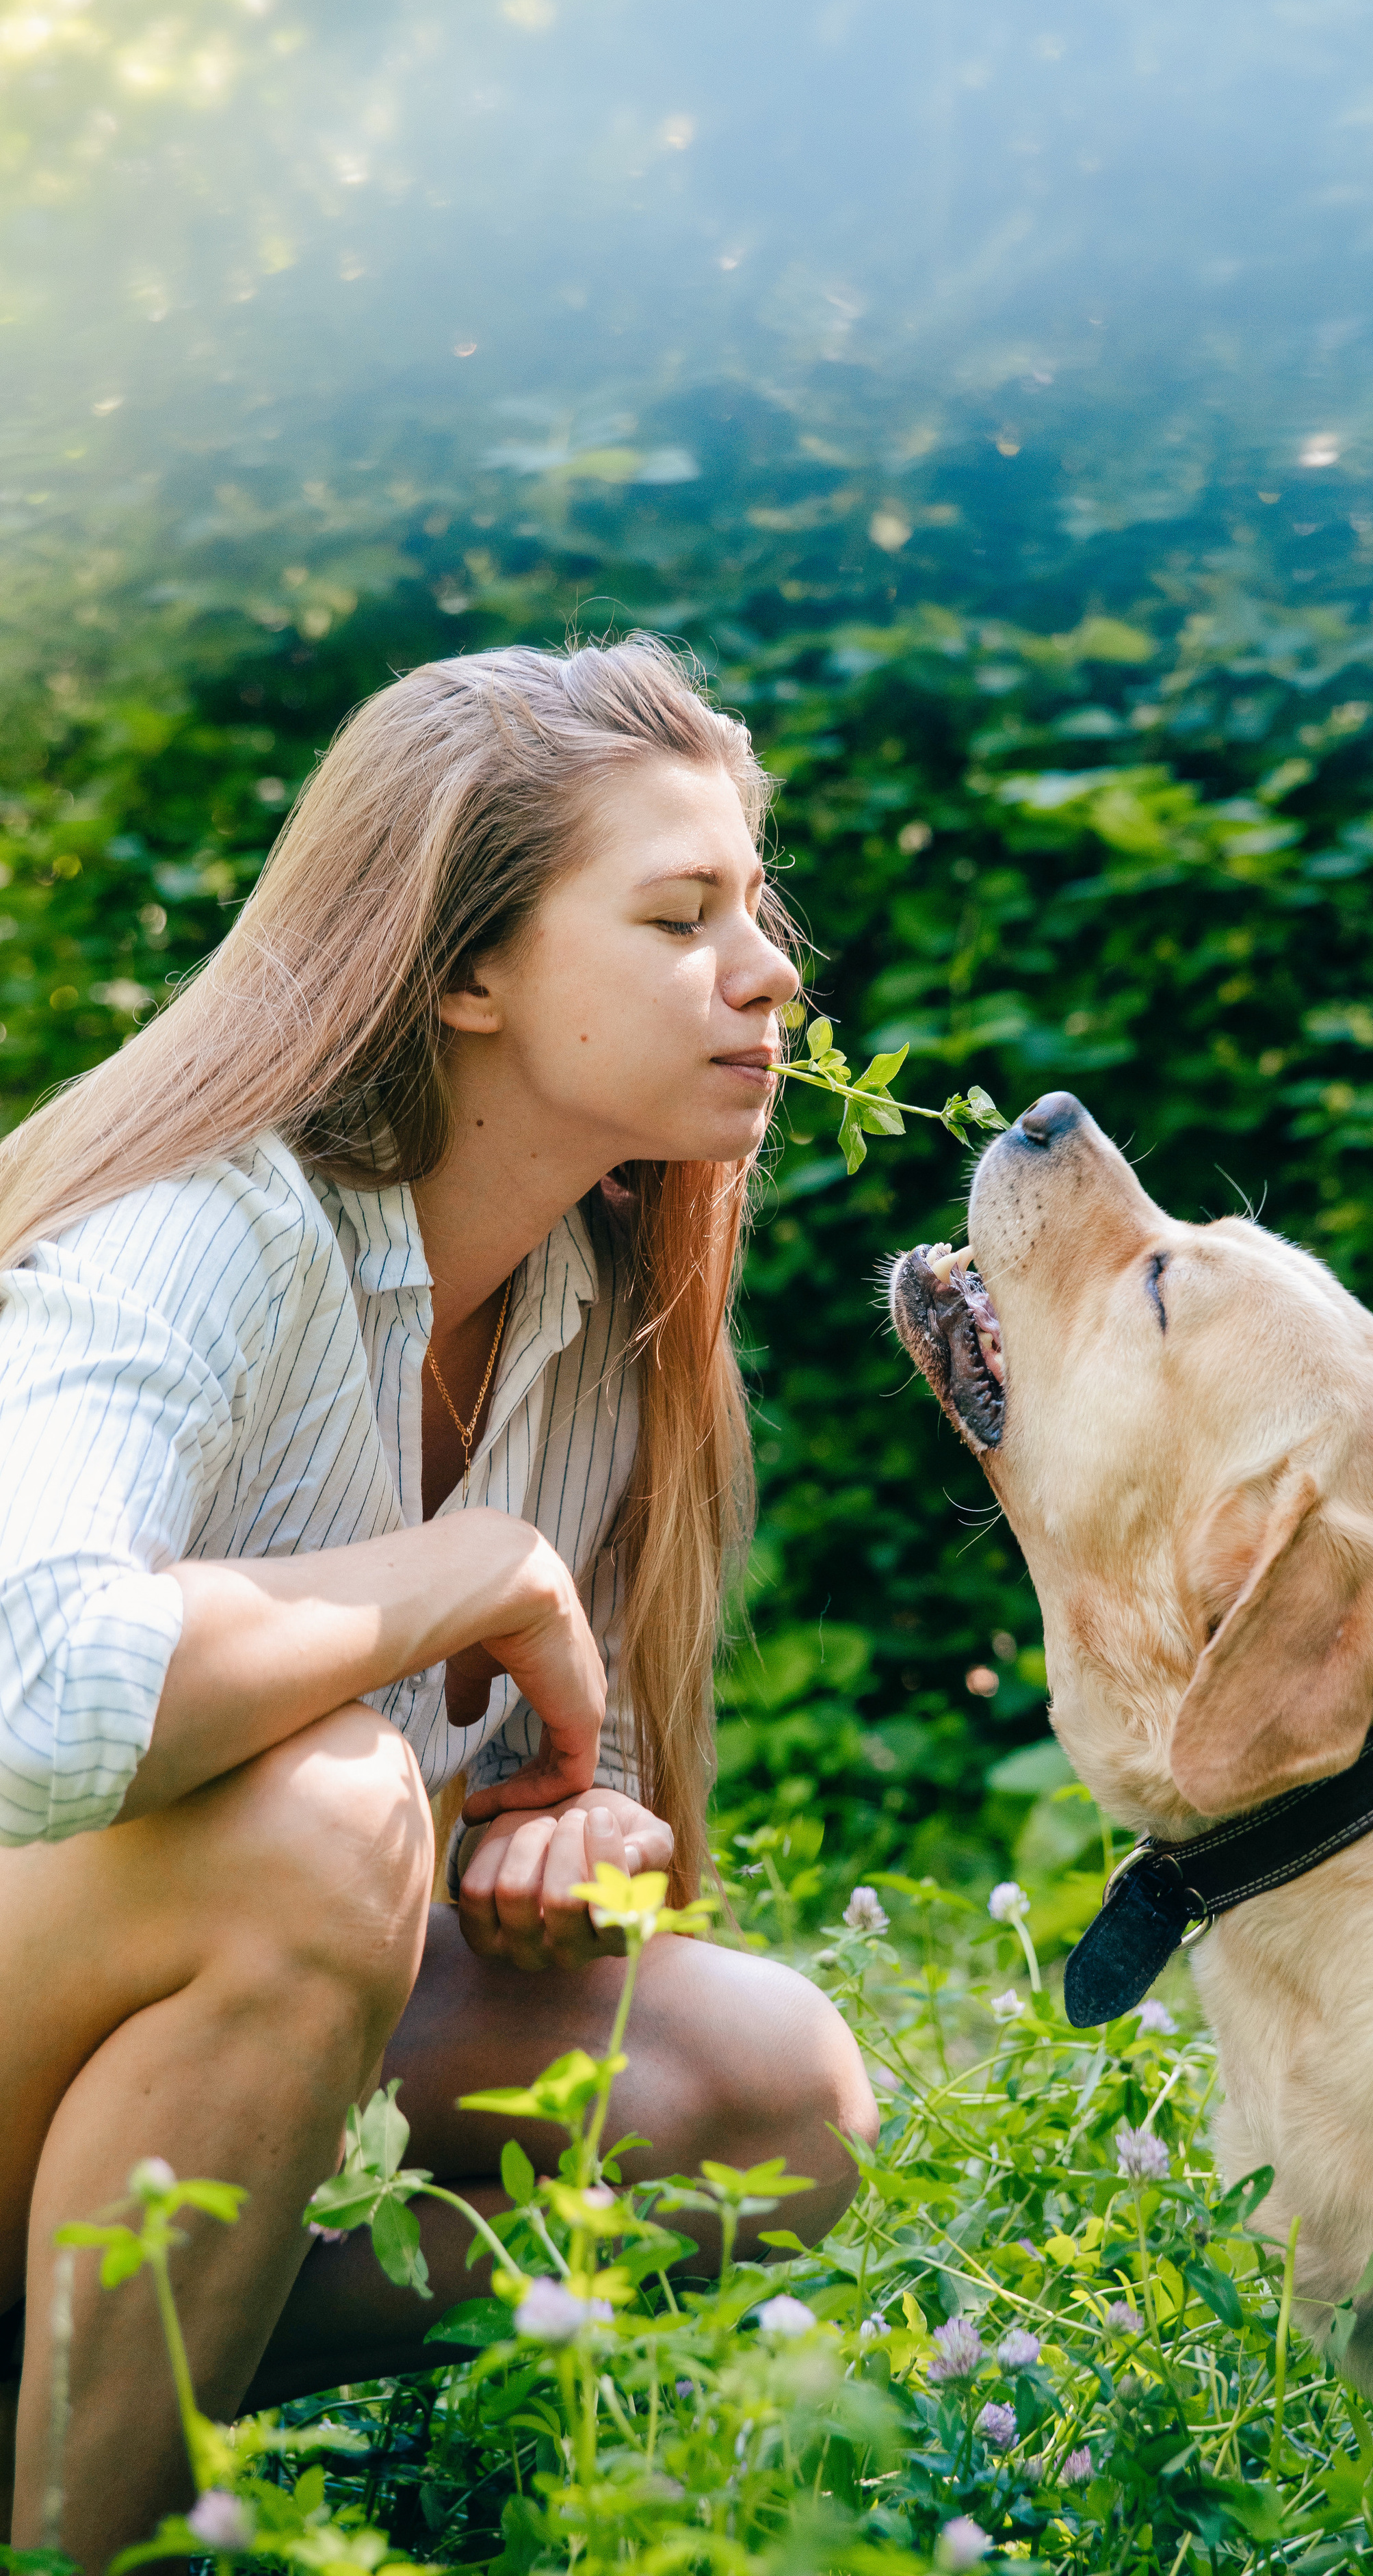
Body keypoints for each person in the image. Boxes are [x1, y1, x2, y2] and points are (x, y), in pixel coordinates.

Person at [0, 638, 878, 2558]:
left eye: (757, 904)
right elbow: (37, 1689)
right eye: (680, 914)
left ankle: (78, 2405)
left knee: (770, 2087)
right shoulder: (200, 1228)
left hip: (184, 2076)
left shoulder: (612, 1324)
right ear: (467, 971)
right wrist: (466, 1570)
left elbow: (604, 1782)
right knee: (325, 1820)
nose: (771, 972)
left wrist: (588, 1836)